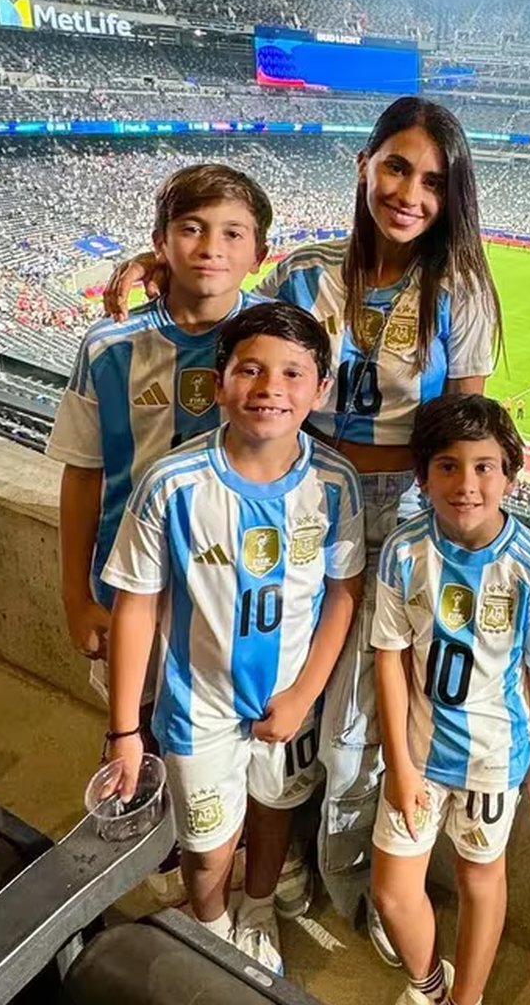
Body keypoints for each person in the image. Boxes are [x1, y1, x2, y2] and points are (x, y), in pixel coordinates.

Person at [102, 96, 503, 956]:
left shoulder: (461, 291)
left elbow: (463, 429)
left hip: (397, 522)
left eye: (434, 180)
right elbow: (239, 327)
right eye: (396, 166)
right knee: (272, 681)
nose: (410, 193)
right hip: (299, 498)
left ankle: (361, 884)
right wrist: (158, 268)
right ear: (364, 165)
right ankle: (258, 862)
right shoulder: (305, 271)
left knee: (368, 716)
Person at [99, 302, 365, 973]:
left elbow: (344, 594)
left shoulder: (335, 485)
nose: (271, 388)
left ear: (320, 389)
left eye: (292, 373)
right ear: (219, 383)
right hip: (199, 707)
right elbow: (135, 607)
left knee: (277, 808)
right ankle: (212, 924)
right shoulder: (171, 482)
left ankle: (257, 905)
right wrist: (125, 730)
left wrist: (305, 693)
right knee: (207, 839)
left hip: (289, 700)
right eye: (250, 369)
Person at [370, 395, 530, 1005]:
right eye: (448, 466)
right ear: (422, 474)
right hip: (421, 756)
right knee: (393, 891)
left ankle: (467, 999)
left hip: (492, 761)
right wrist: (399, 762)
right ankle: (428, 985)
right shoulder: (404, 551)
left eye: (484, 466)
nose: (467, 483)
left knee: (479, 878)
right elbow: (390, 658)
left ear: (510, 474)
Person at [48, 164, 271, 678]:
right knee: (132, 730)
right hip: (130, 584)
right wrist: (75, 597)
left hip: (238, 585)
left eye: (232, 233)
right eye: (191, 228)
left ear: (258, 255)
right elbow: (83, 473)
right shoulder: (109, 345)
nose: (211, 247)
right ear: (160, 243)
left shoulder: (275, 339)